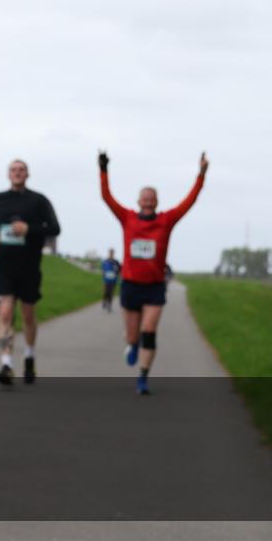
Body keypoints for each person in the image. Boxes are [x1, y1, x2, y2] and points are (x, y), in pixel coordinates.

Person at [99, 150, 208, 395]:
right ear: (138, 202)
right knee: (132, 335)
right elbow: (106, 197)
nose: (148, 203)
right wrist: (103, 170)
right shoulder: (127, 217)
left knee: (149, 331)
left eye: (152, 199)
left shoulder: (167, 220)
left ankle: (143, 378)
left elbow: (190, 201)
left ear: (156, 202)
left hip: (154, 286)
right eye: (144, 199)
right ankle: (132, 344)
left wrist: (201, 174)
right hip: (130, 284)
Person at [0, 160, 60, 385]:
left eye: (21, 170)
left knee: (28, 314)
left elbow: (54, 228)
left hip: (28, 265)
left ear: (27, 174)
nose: (17, 173)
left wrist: (30, 229)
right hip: (3, 264)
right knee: (5, 312)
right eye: (13, 170)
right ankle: (6, 363)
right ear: (8, 174)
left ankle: (29, 355)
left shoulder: (38, 200)